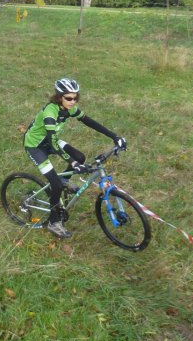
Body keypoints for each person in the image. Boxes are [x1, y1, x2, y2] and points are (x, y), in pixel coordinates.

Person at [23, 78, 127, 239]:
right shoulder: (50, 113)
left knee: (80, 156)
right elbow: (53, 143)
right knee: (56, 184)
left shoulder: (68, 109)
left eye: (75, 98)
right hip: (35, 146)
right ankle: (53, 222)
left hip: (51, 140)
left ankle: (64, 182)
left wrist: (115, 137)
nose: (73, 102)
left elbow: (89, 121)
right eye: (69, 98)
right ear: (59, 97)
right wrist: (72, 163)